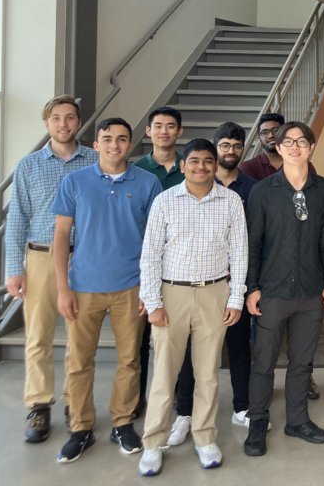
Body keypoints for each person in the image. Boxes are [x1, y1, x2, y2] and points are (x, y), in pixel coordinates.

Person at [52, 118, 163, 464]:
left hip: (132, 286)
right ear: (96, 144)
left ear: (131, 144)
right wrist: (62, 287)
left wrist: (151, 286)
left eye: (122, 139)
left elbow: (157, 240)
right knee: (79, 361)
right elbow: (61, 237)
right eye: (107, 139)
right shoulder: (75, 182)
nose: (115, 145)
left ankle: (123, 422)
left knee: (130, 360)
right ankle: (80, 427)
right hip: (84, 287)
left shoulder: (149, 183)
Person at [136, 139, 248, 476]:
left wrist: (236, 297)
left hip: (215, 293)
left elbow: (239, 252)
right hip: (172, 295)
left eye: (207, 162)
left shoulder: (231, 201)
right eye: (194, 161)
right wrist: (153, 302)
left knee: (208, 374)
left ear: (215, 166)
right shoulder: (165, 201)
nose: (201, 167)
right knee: (164, 374)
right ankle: (153, 443)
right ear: (182, 165)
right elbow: (151, 254)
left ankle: (204, 437)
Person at [5, 95, 98, 443]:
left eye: (70, 118)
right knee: (38, 336)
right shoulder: (28, 165)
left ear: (78, 122)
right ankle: (39, 404)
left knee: (79, 336)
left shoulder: (94, 161)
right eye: (56, 118)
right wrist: (15, 268)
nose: (63, 124)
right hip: (41, 258)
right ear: (47, 124)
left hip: (84, 257)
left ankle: (75, 402)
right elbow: (17, 219)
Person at [242, 121, 324, 457]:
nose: (295, 147)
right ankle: (257, 425)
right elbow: (253, 243)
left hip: (311, 292)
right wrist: (251, 287)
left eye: (302, 141)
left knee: (302, 362)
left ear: (311, 147)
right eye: (288, 141)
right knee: (264, 363)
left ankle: (297, 421)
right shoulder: (263, 191)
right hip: (272, 291)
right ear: (278, 148)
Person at [166, 122, 260, 446]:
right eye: (225, 145)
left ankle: (242, 407)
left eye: (236, 145)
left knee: (237, 347)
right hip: (193, 284)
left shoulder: (252, 187)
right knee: (192, 354)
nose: (230, 151)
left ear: (243, 149)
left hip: (234, 285)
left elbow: (249, 242)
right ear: (215, 149)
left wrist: (244, 287)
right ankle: (185, 413)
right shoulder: (195, 187)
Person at [134, 106, 186, 419]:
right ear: (148, 131)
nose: (164, 131)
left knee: (179, 341)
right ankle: (138, 400)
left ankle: (181, 401)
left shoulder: (191, 168)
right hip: (147, 266)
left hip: (182, 269)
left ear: (179, 131)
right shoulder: (137, 171)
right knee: (140, 340)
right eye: (158, 126)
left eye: (170, 126)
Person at [239, 112, 285, 182]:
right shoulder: (248, 168)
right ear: (259, 137)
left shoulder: (298, 164)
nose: (271, 135)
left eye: (275, 130)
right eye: (264, 132)